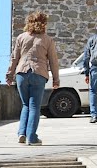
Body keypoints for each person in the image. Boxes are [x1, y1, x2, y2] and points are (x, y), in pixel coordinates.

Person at [6, 10, 59, 146]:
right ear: (44, 24)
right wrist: (56, 80)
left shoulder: (21, 37)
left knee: (25, 105)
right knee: (34, 106)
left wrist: (9, 75)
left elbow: (14, 58)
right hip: (38, 73)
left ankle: (22, 133)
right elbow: (53, 61)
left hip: (21, 74)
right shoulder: (47, 40)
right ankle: (32, 137)